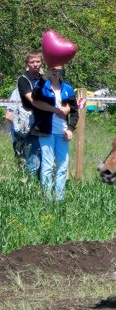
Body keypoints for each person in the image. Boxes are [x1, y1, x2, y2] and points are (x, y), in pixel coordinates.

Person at [29, 65, 78, 201]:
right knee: (48, 165)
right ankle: (47, 198)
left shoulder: (67, 89)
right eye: (54, 70)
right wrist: (44, 78)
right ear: (49, 71)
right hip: (46, 131)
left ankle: (59, 199)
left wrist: (70, 129)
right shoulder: (42, 85)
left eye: (59, 70)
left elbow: (74, 112)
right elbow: (34, 96)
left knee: (62, 166)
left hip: (62, 132)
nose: (56, 73)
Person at [13, 50, 42, 176]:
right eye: (32, 62)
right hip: (30, 127)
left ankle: (44, 191)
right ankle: (31, 191)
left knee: (45, 162)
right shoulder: (23, 80)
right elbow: (33, 99)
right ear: (27, 63)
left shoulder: (44, 79)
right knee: (33, 162)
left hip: (45, 125)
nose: (35, 64)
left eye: (38, 61)